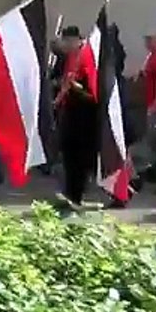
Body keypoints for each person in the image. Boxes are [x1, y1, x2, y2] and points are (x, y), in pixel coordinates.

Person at [53, 26, 98, 211]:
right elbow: (65, 80)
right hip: (70, 110)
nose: (65, 45)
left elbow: (91, 90)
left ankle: (76, 195)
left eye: (67, 41)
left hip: (84, 113)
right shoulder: (70, 57)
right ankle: (70, 192)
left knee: (80, 156)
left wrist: (74, 86)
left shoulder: (87, 55)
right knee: (68, 154)